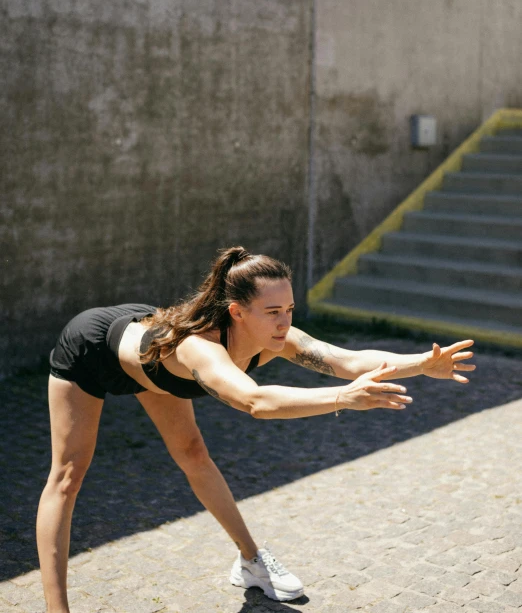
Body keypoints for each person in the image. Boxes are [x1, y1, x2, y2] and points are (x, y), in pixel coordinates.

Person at [37, 246, 475, 611]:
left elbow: (348, 361)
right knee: (69, 475)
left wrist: (422, 364)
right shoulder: (200, 351)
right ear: (237, 312)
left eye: (288, 309)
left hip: (152, 362)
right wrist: (343, 399)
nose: (284, 322)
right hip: (92, 352)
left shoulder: (277, 338)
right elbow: (255, 402)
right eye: (271, 311)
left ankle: (251, 561)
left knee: (192, 454)